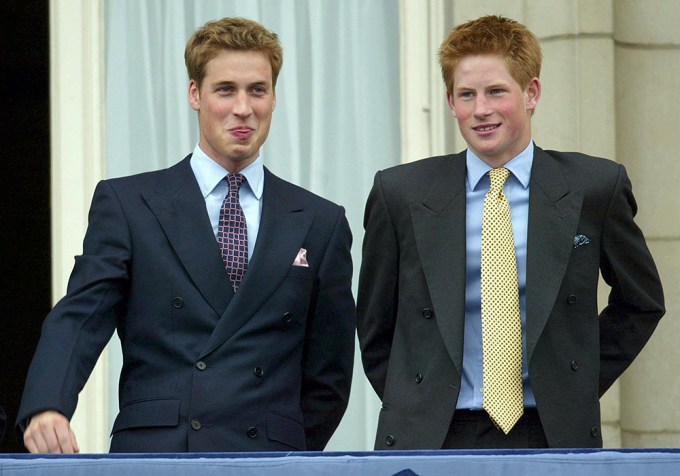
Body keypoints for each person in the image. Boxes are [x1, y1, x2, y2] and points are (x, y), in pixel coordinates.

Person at [17, 17, 355, 453]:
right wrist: (49, 404)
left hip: (270, 458)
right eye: (225, 89)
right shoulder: (129, 202)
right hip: (160, 453)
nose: (243, 108)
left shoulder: (319, 220)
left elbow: (329, 373)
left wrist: (288, 450)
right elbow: (82, 315)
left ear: (274, 97)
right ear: (195, 94)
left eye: (257, 90)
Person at [357, 15, 665, 449]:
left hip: (551, 429)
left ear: (531, 93)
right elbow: (374, 323)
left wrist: (573, 379)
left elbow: (641, 301)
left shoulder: (595, 187)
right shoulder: (400, 193)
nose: (480, 110)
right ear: (450, 102)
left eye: (496, 91)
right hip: (432, 433)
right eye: (466, 95)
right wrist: (415, 397)